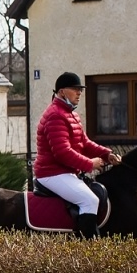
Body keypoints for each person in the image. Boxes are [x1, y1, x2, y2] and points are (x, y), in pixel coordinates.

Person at [34, 71, 116, 237]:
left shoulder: (71, 114)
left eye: (81, 89)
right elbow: (62, 152)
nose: (79, 92)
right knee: (90, 200)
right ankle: (88, 246)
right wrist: (89, 164)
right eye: (75, 89)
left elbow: (84, 143)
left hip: (64, 172)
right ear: (62, 91)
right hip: (51, 173)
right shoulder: (56, 115)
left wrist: (107, 154)